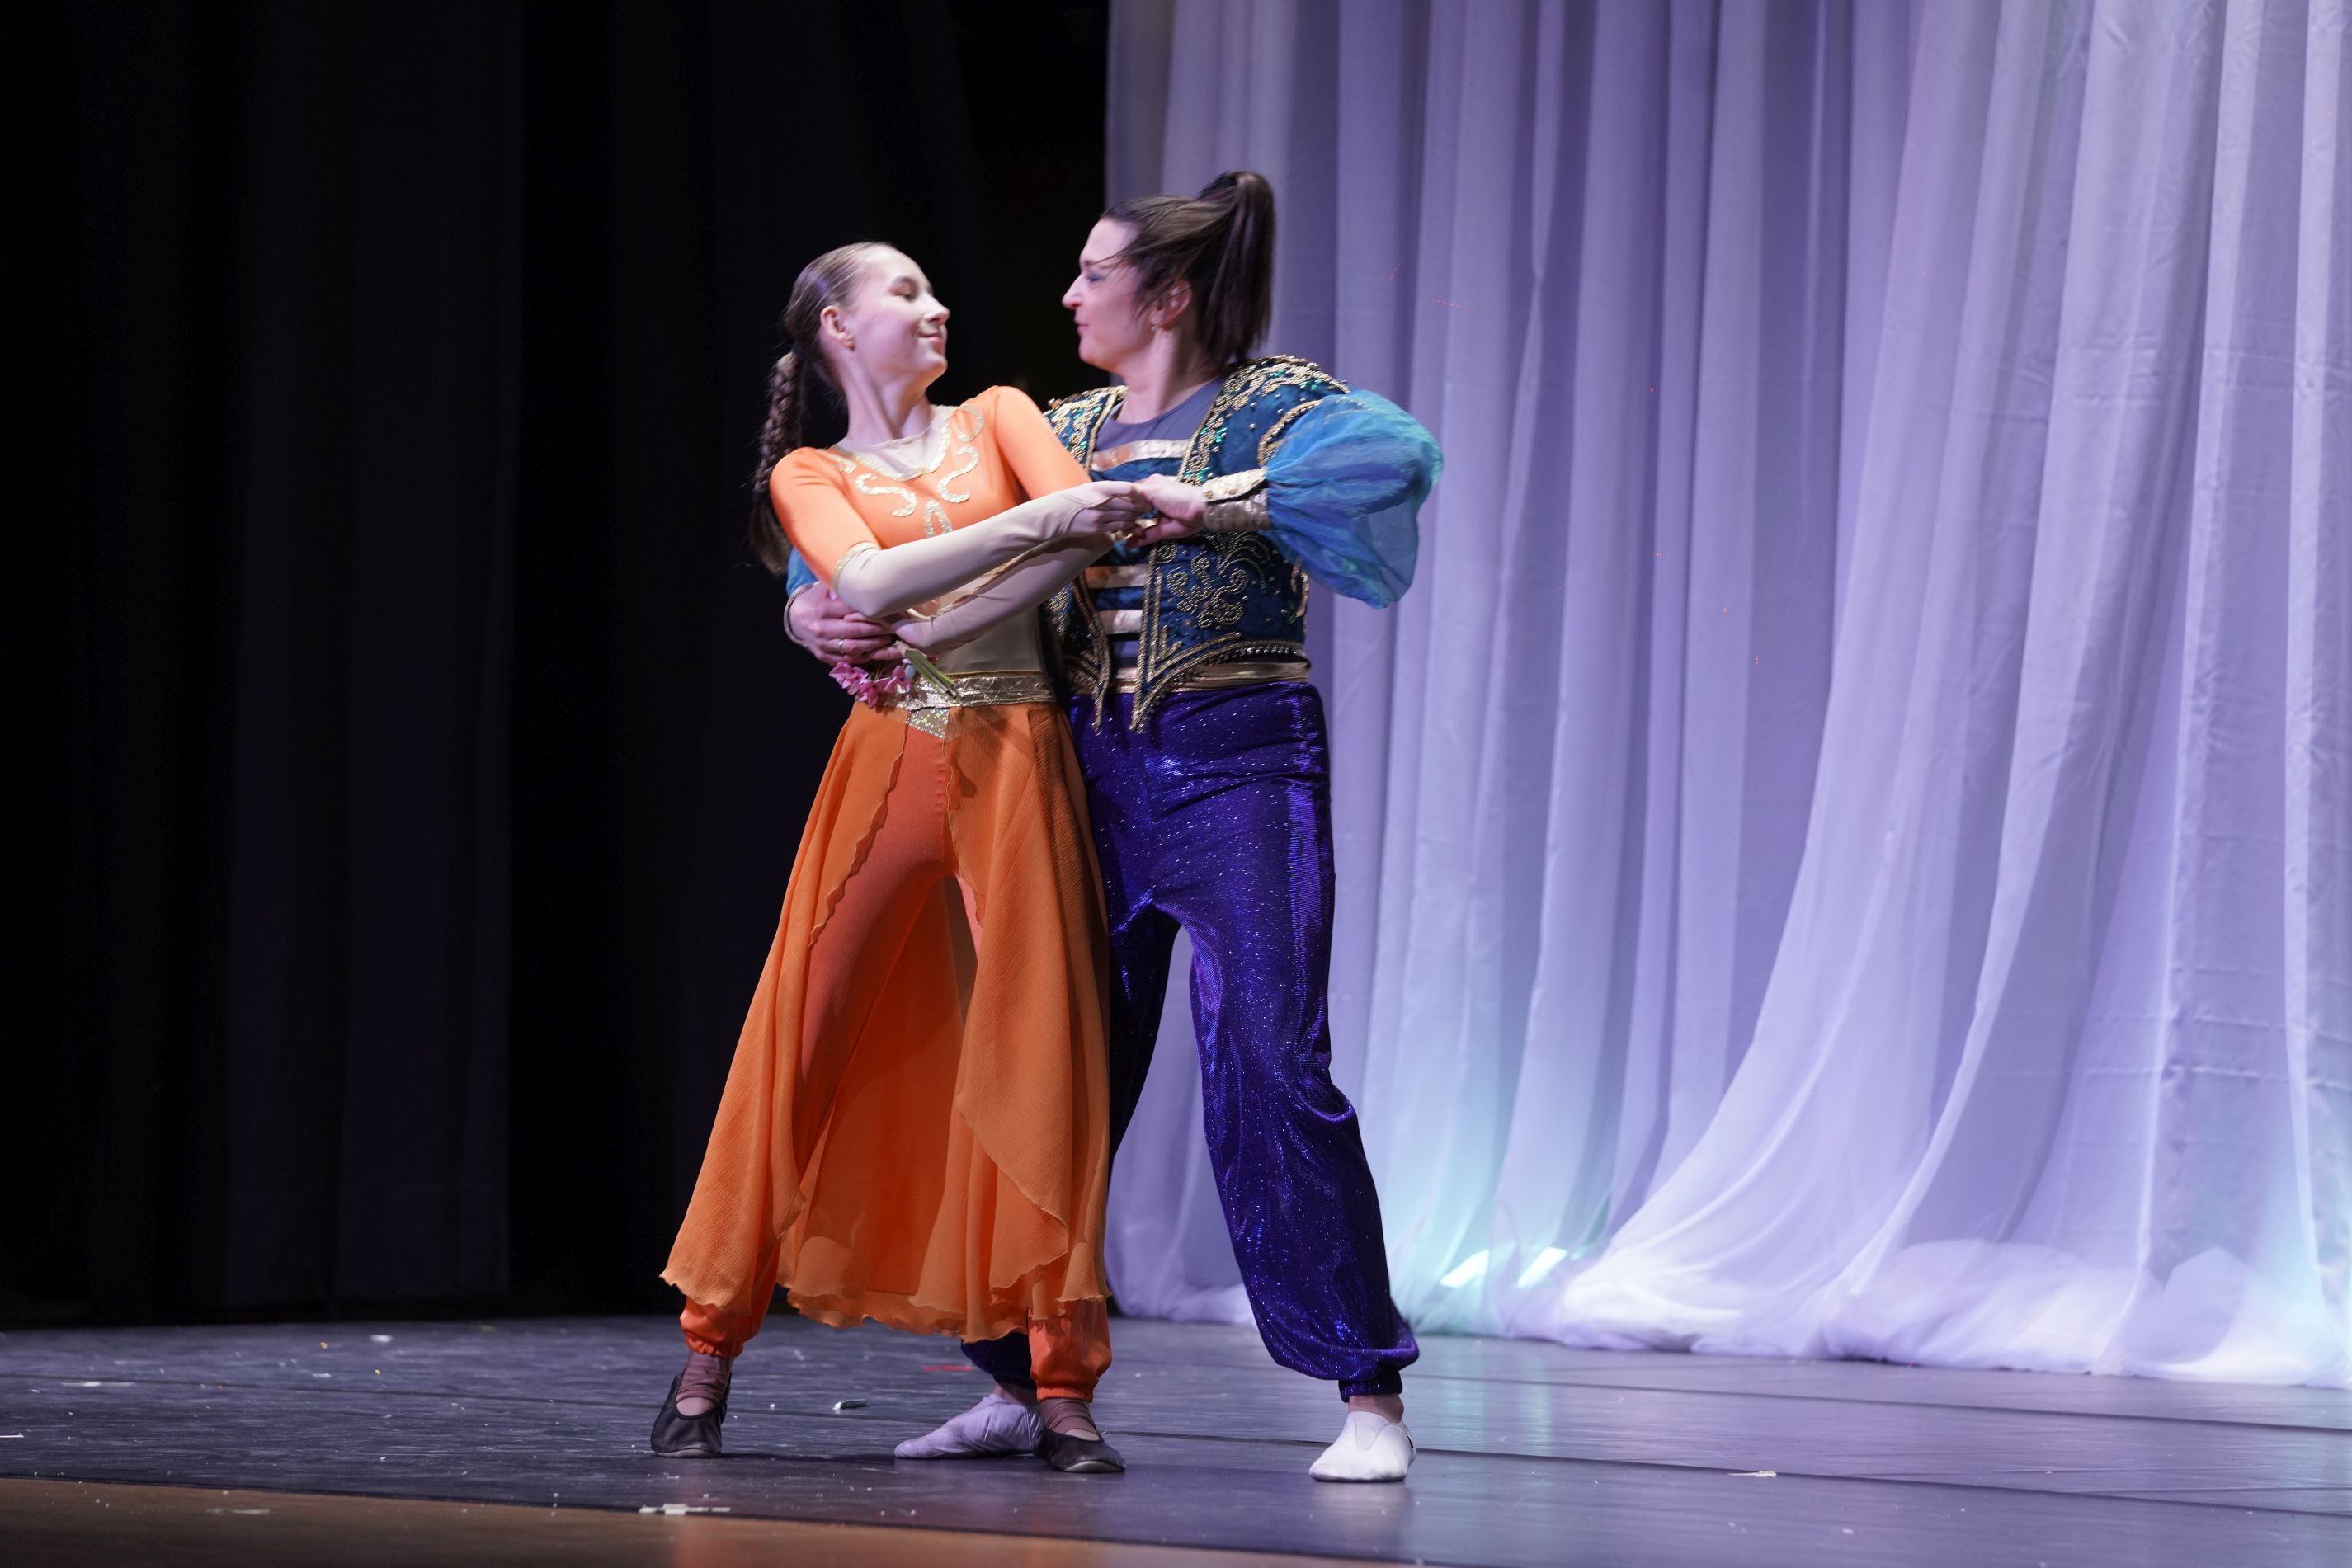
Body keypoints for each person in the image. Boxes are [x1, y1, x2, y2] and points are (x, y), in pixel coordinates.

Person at [786, 173, 1440, 1482]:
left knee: (1272, 1060)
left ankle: (1369, 1392)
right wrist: (806, 603)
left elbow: (1392, 460)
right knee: (1045, 1072)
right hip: (1087, 777)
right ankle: (1018, 1377)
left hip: (1239, 765)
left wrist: (1226, 500)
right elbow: (896, 519)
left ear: (1170, 296)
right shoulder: (1061, 427)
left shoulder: (1272, 402)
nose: (1070, 294)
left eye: (1095, 274)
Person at [656, 240, 1166, 1475]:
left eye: (935, 289)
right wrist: (1026, 526)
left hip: (1018, 752)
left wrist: (943, 611)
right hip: (890, 761)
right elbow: (873, 575)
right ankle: (705, 1355)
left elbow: (1088, 540)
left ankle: (1062, 1389)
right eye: (904, 292)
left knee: (1045, 1054)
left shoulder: (1001, 416)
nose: (937, 308)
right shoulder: (810, 472)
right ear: (837, 327)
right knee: (800, 1034)